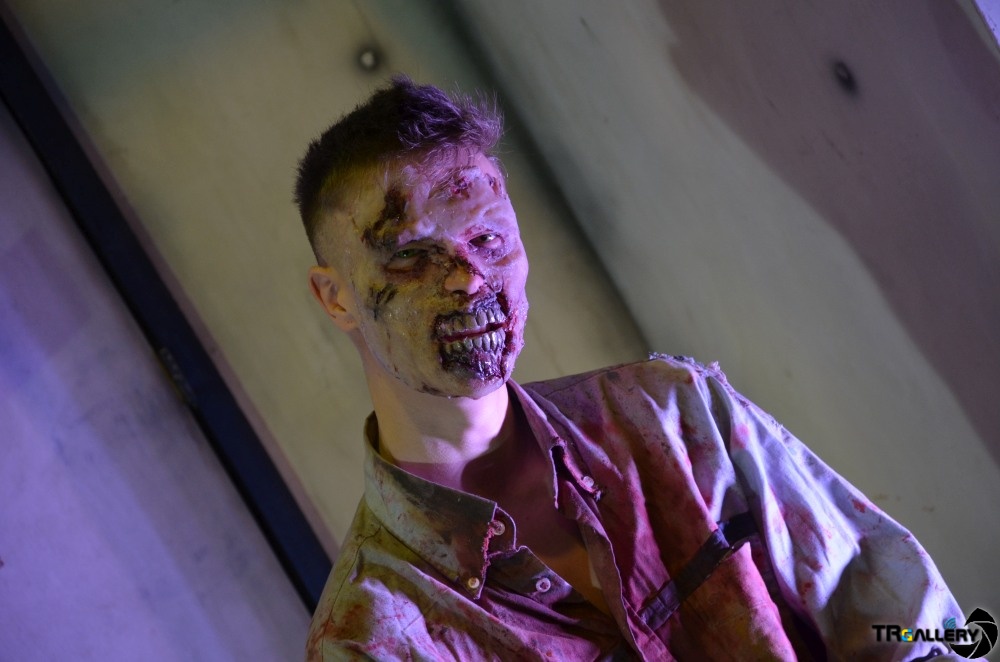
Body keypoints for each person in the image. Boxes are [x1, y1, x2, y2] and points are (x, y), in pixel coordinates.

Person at [296, 77, 962, 660]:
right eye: (412, 256)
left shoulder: (675, 416)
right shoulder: (371, 640)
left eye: (488, 238)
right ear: (335, 298)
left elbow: (916, 625)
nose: (468, 279)